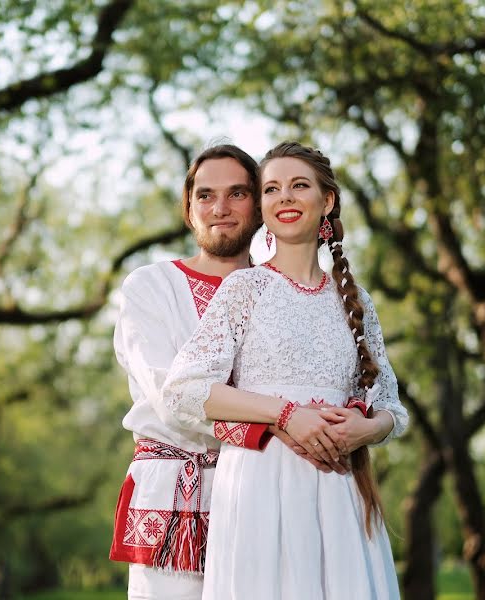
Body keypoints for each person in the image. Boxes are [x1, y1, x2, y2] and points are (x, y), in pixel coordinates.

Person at [161, 141, 410, 599]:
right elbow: (183, 390)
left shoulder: (355, 301)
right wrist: (286, 413)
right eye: (272, 189)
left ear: (327, 201)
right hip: (259, 487)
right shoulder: (245, 289)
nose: (286, 198)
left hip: (339, 490)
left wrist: (365, 429)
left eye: (300, 186)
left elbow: (392, 406)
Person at [110, 144, 349, 600]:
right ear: (188, 208)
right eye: (205, 195)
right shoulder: (150, 286)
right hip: (176, 503)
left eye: (237, 193)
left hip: (269, 494)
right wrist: (283, 422)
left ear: (259, 206)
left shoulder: (288, 291)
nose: (219, 208)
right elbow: (170, 399)